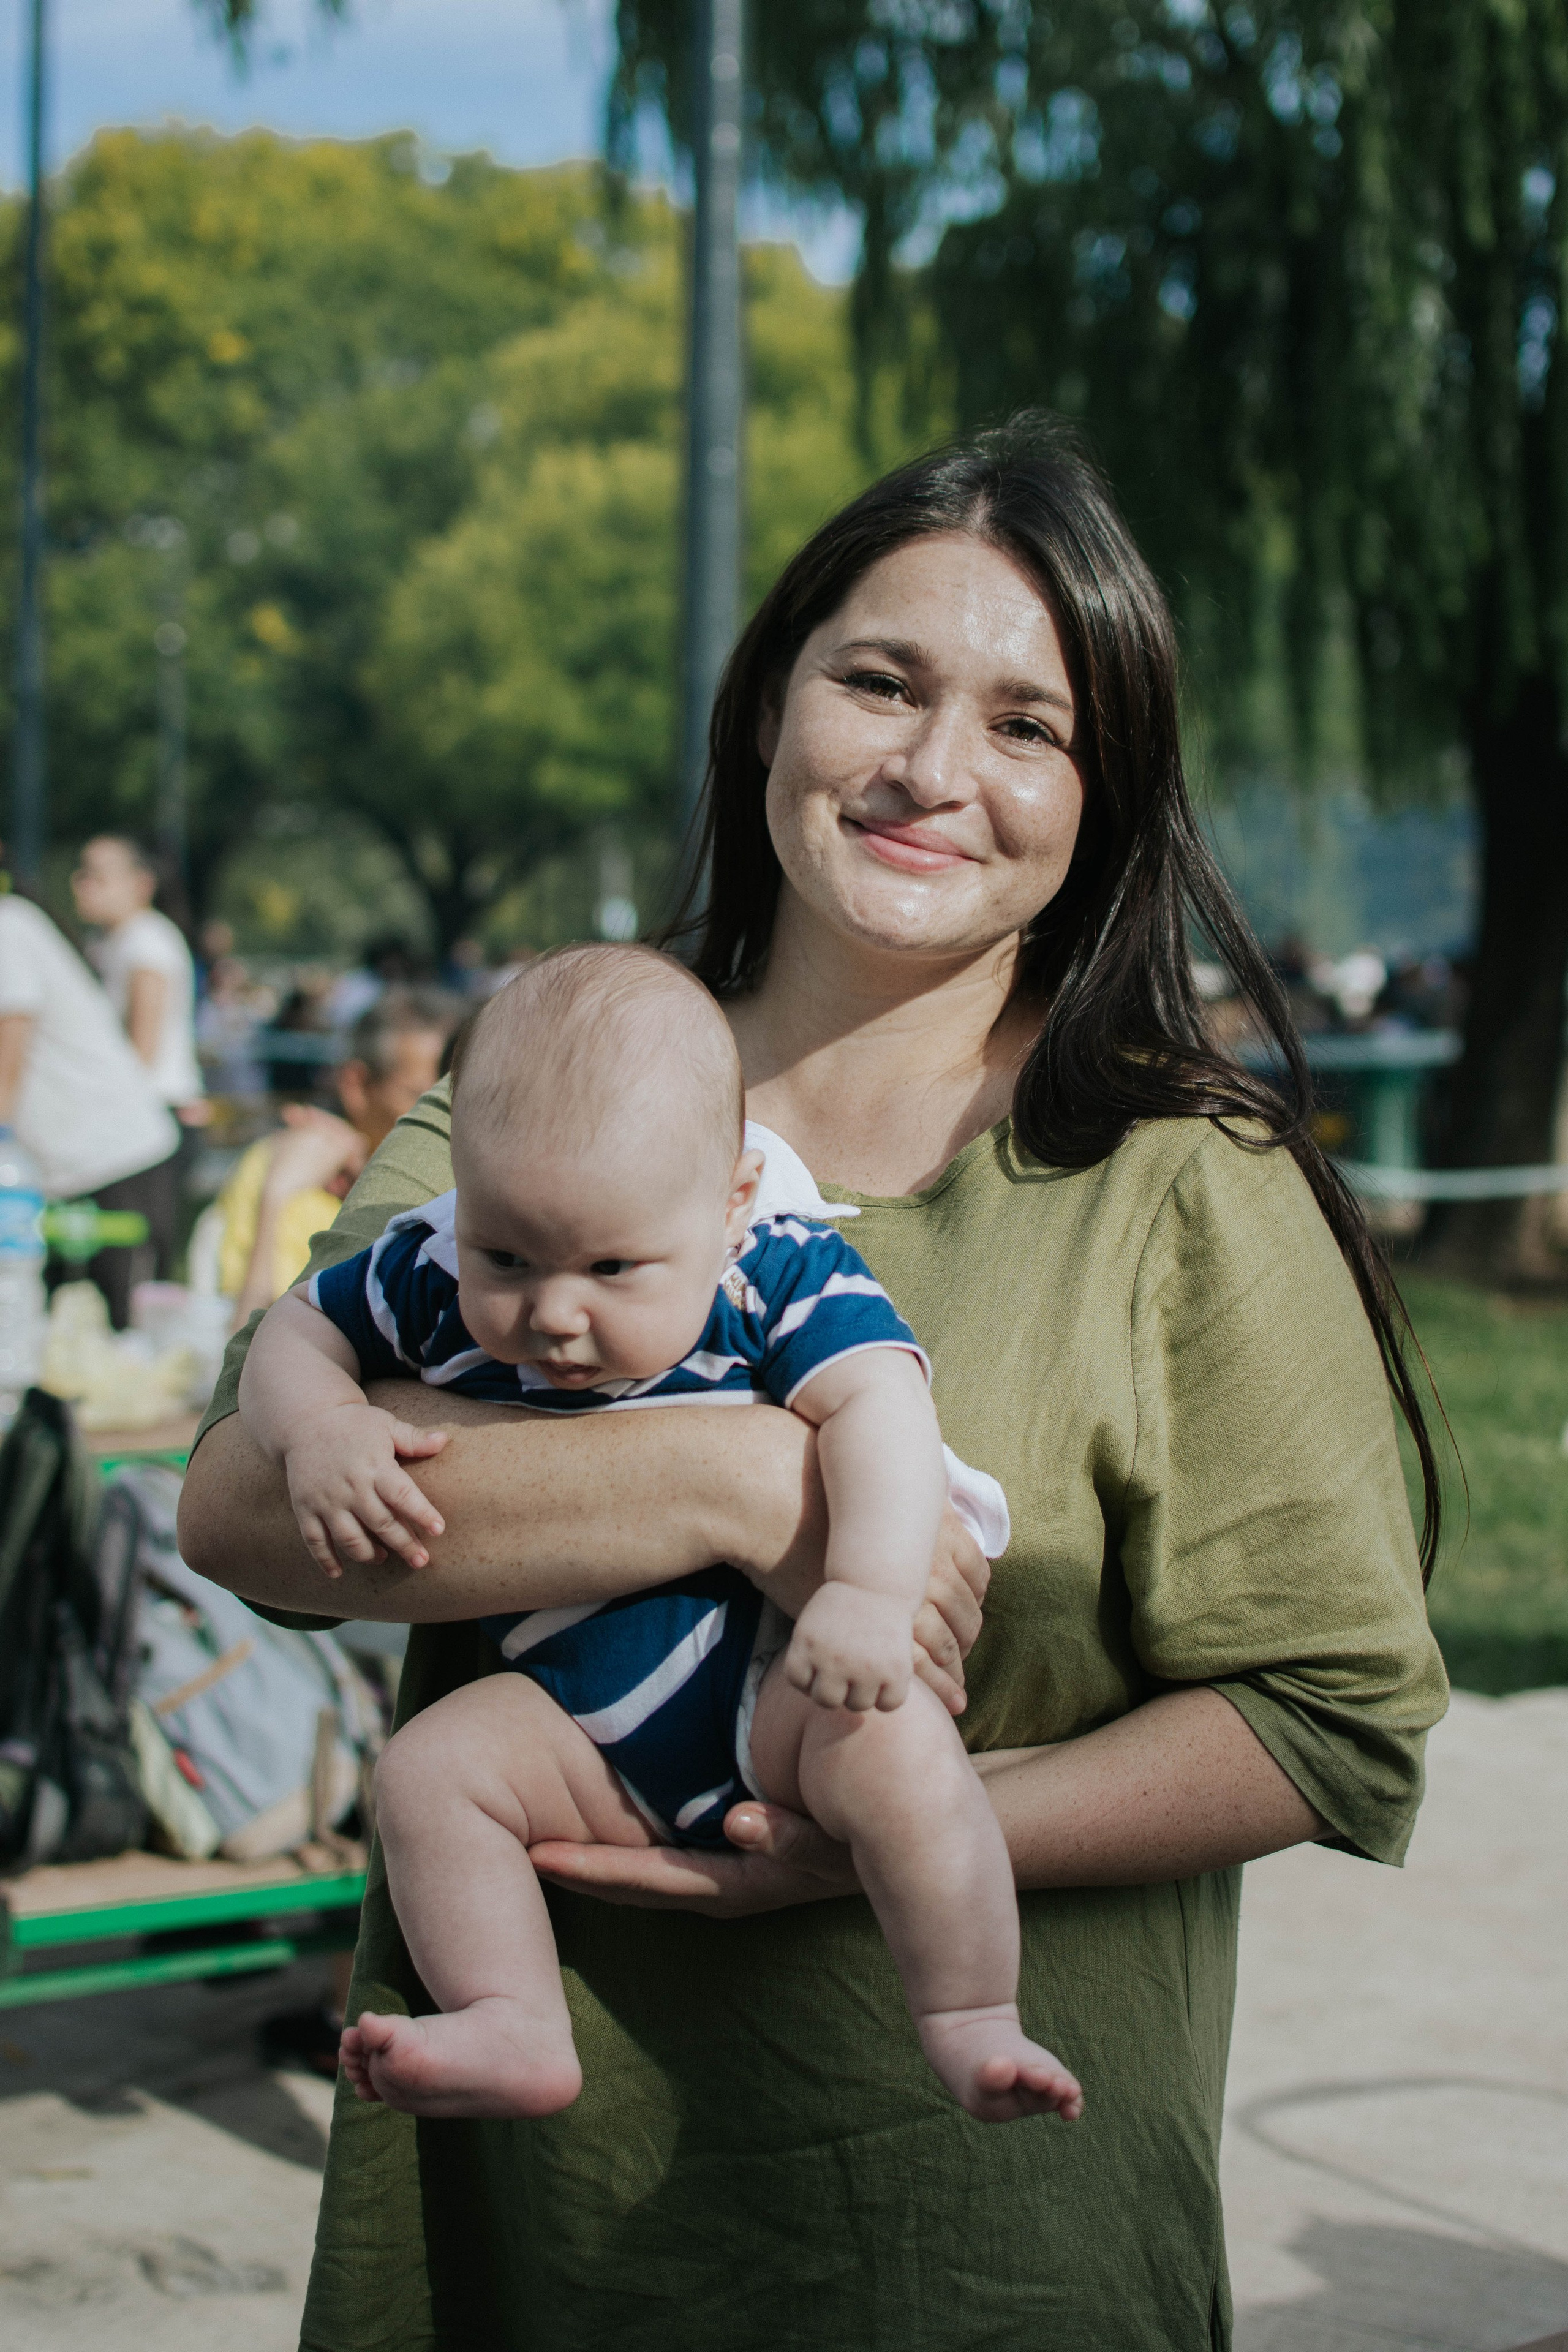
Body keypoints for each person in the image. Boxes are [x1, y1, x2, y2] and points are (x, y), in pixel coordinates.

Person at [178, 417, 1448, 2351]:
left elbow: (1328, 1722)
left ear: (1101, 795)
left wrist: (888, 1825)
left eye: (1028, 723)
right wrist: (737, 1483)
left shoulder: (1194, 1187)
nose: (936, 767)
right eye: (880, 679)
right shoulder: (526, 1109)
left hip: (989, 2252)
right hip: (541, 2237)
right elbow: (251, 1508)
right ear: (771, 696)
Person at [239, 946, 1063, 2127]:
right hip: (575, 1718)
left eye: (614, 1267)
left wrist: (871, 1594)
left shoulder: (770, 1271)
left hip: (778, 1689)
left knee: (902, 1758)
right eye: (508, 1258)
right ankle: (512, 2021)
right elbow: (295, 1334)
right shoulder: (428, 1264)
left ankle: (970, 2013)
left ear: (729, 1202)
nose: (554, 1312)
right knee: (430, 1773)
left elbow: (882, 1403)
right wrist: (320, 1428)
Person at [0, 852, 179, 1328]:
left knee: (125, 1351)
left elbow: (8, 1050)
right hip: (62, 1169)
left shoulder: (8, 926)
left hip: (116, 1159)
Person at [211, 987, 461, 1324]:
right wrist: (277, 1195)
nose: (450, 1116)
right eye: (425, 1098)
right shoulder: (285, 1170)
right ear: (356, 1085)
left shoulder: (476, 1177)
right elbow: (253, 1335)